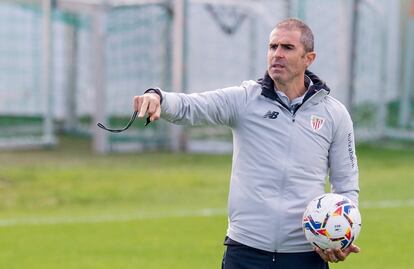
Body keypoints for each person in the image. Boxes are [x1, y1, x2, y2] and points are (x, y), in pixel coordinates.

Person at [133, 18, 360, 269]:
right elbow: (192, 106)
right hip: (245, 252)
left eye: (287, 47)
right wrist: (158, 98)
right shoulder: (245, 100)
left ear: (309, 58)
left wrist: (342, 237)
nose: (277, 54)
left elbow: (346, 186)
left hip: (305, 256)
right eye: (272, 47)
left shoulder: (334, 114)